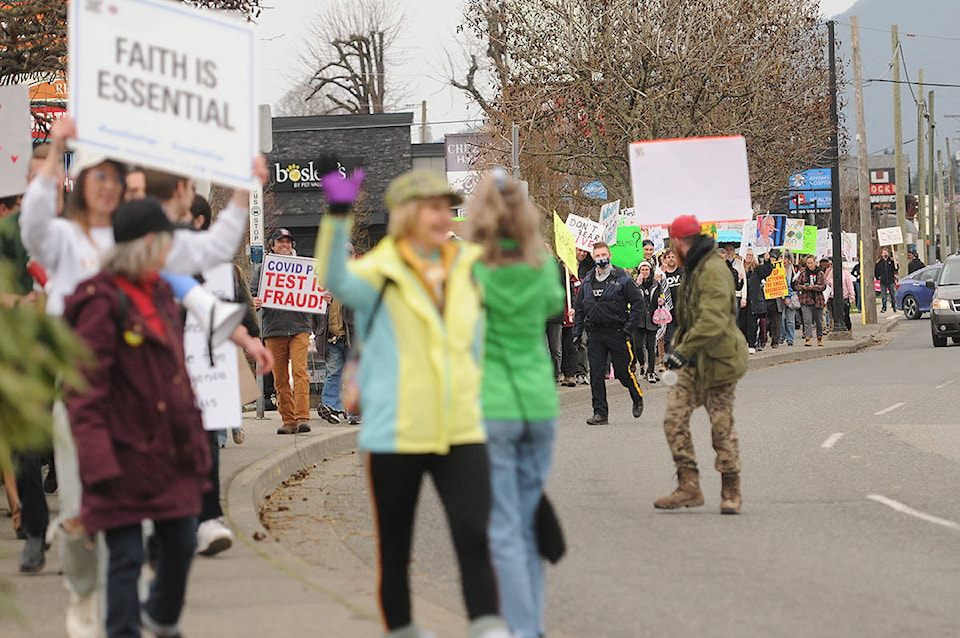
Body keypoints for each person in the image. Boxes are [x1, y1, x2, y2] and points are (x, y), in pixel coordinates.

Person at [19, 115, 264, 635]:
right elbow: (33, 228)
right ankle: (84, 593)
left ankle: (125, 613)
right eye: (97, 176)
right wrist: (54, 151)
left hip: (140, 398)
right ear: (80, 182)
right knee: (82, 511)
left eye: (116, 177)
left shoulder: (140, 235)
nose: (107, 187)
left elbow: (203, 260)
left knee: (136, 522)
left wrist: (243, 192)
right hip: (83, 395)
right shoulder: (64, 238)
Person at [314, 166, 511, 638]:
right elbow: (333, 276)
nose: (443, 216)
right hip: (394, 432)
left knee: (474, 537)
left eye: (447, 206)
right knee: (396, 547)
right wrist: (338, 213)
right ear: (405, 215)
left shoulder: (469, 267)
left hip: (461, 428)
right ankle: (402, 630)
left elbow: (481, 343)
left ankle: (489, 627)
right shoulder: (378, 274)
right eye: (431, 207)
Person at [63, 198, 210, 638]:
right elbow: (84, 391)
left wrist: (197, 444)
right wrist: (97, 463)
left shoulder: (162, 292)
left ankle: (161, 618)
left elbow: (177, 375)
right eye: (166, 240)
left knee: (182, 542)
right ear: (149, 242)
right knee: (125, 559)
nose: (171, 249)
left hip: (169, 454)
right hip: (121, 456)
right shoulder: (100, 300)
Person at [465, 168, 564, 638]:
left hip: (495, 403)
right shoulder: (540, 265)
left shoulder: (472, 269)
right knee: (527, 520)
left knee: (504, 526)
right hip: (539, 403)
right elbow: (552, 305)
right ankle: (532, 624)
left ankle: (524, 630)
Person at [654, 215, 747, 514]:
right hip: (691, 366)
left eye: (672, 243)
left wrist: (682, 350)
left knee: (721, 428)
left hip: (719, 363)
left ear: (680, 242)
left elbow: (714, 319)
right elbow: (688, 319)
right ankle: (688, 486)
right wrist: (676, 352)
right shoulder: (692, 268)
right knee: (674, 420)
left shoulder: (713, 270)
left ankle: (731, 490)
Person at [0, 144, 50, 572]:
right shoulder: (8, 232)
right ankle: (35, 531)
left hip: (75, 354)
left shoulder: (78, 229)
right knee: (27, 448)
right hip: (26, 353)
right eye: (32, 180)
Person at [572, 241, 645, 425]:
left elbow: (638, 304)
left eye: (603, 255)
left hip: (618, 332)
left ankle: (636, 397)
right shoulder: (588, 280)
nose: (600, 258)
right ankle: (600, 413)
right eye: (596, 255)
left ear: (610, 256)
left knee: (622, 372)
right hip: (595, 334)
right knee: (596, 374)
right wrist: (577, 331)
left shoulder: (622, 278)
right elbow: (579, 308)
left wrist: (630, 327)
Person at [251, 228, 314, 435]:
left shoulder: (305, 267)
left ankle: (303, 417)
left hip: (299, 327)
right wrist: (255, 301)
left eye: (288, 242)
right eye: (280, 242)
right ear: (272, 245)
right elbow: (251, 293)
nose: (285, 245)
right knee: (279, 378)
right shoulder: (262, 270)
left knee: (299, 372)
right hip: (273, 329)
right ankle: (288, 420)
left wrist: (324, 298)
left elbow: (318, 289)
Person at [634, 261, 662, 383]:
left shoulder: (656, 284)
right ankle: (641, 365)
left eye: (647, 269)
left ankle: (650, 371)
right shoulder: (634, 284)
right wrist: (637, 286)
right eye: (642, 270)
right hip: (638, 319)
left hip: (652, 318)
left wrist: (661, 302)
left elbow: (660, 297)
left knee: (651, 346)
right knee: (638, 346)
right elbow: (630, 297)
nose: (644, 272)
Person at [796, 254, 827, 346]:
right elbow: (797, 285)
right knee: (807, 320)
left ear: (815, 263)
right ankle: (808, 338)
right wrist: (804, 287)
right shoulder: (803, 273)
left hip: (818, 300)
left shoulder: (820, 273)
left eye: (811, 263)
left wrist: (813, 287)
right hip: (806, 300)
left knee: (818, 321)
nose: (810, 265)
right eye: (808, 263)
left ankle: (819, 337)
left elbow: (823, 286)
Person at [742, 249, 767, 354]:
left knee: (752, 324)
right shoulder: (739, 267)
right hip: (741, 300)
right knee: (741, 323)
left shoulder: (757, 270)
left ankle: (752, 344)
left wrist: (767, 261)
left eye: (750, 255)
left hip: (753, 301)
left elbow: (766, 271)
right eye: (747, 254)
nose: (748, 257)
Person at [660, 248, 684, 353]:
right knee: (669, 339)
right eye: (668, 257)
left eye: (673, 257)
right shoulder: (662, 275)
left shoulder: (682, 271)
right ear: (665, 259)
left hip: (683, 311)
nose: (671, 259)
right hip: (668, 312)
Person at [781, 252, 798, 346]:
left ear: (789, 260)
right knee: (781, 318)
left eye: (785, 259)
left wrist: (789, 296)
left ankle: (790, 338)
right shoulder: (779, 269)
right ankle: (782, 335)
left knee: (790, 320)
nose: (784, 261)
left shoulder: (794, 270)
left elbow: (796, 284)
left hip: (792, 296)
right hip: (781, 296)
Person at [874, 248, 898, 312]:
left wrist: (896, 264)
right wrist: (878, 277)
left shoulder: (891, 260)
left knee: (892, 294)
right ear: (881, 254)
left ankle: (894, 306)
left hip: (891, 280)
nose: (885, 254)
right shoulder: (879, 262)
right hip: (883, 281)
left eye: (886, 252)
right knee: (883, 295)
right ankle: (884, 307)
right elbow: (876, 271)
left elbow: (896, 269)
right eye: (884, 252)